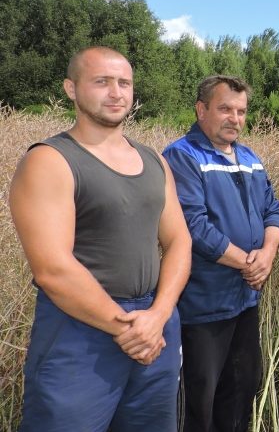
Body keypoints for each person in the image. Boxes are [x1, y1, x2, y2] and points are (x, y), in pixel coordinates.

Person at [10, 46, 192, 432]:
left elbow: (179, 242)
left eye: (124, 83)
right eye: (101, 82)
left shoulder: (155, 161)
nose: (116, 92)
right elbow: (53, 270)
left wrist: (158, 316)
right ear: (71, 89)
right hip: (79, 332)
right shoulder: (50, 160)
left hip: (154, 327)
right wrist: (128, 328)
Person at [162, 75, 279, 432]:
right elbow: (193, 226)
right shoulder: (182, 155)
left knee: (242, 389)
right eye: (225, 109)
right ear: (202, 110)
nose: (235, 118)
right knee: (200, 399)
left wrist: (268, 253)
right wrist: (248, 263)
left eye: (241, 111)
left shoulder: (250, 158)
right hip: (202, 305)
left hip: (246, 300)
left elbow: (273, 211)